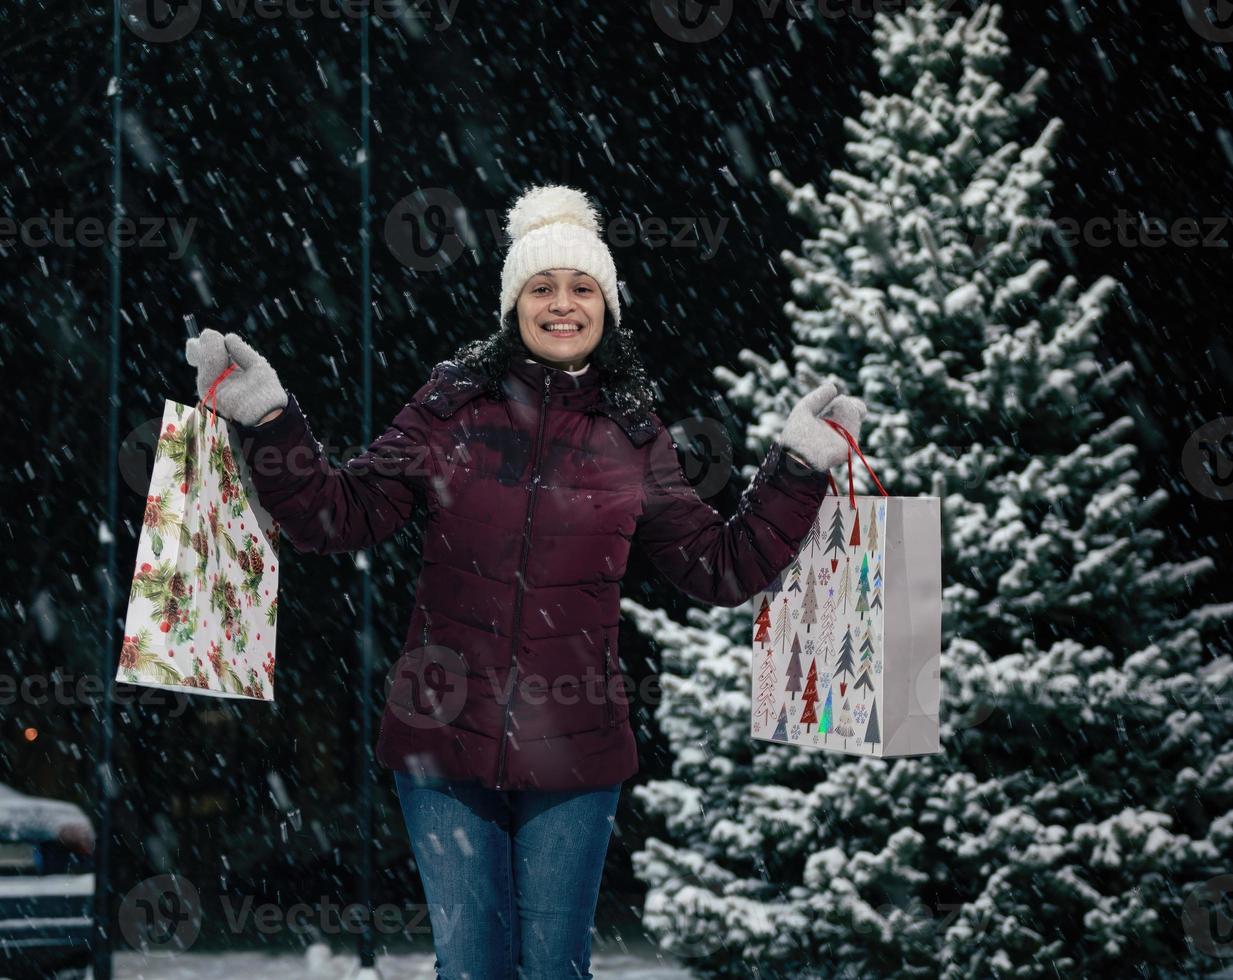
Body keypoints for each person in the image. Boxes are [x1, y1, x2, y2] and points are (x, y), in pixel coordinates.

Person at [184, 184, 866, 979]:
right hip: (440, 742)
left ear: (607, 306)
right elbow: (337, 517)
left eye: (581, 288)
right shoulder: (449, 408)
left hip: (574, 755)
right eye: (541, 288)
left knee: (552, 970)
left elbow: (720, 567)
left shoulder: (633, 436)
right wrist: (270, 418)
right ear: (514, 304)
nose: (562, 304)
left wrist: (796, 466)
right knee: (471, 967)